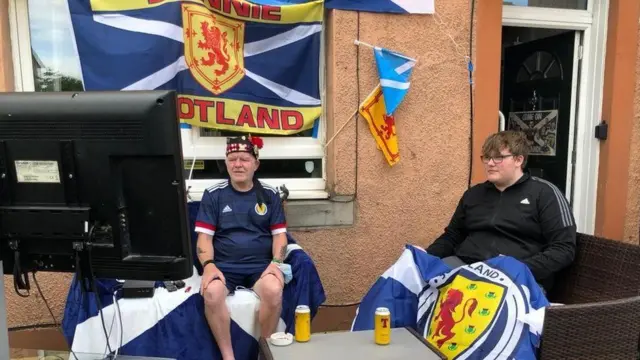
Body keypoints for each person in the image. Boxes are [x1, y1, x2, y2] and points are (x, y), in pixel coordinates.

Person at [426, 130, 576, 293]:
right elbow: (452, 236)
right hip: (466, 268)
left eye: (498, 157)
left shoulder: (544, 194)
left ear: (519, 159)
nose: (490, 163)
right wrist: (425, 257)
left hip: (516, 277)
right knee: (419, 283)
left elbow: (563, 248)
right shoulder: (474, 194)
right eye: (487, 157)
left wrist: (520, 268)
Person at [194, 135, 287, 360]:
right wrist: (208, 265)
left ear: (256, 163)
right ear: (225, 163)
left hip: (260, 268)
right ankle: (229, 357)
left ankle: (263, 354)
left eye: (244, 159)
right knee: (212, 293)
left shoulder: (269, 193)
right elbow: (204, 240)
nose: (237, 164)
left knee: (274, 290)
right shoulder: (214, 194)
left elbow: (280, 237)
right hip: (224, 266)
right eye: (232, 159)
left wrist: (276, 263)